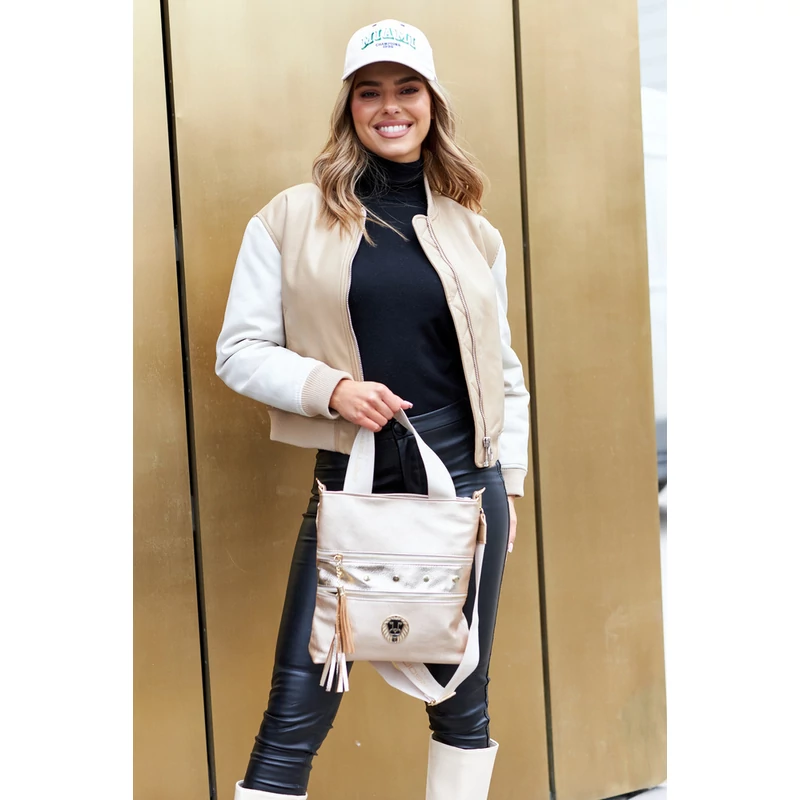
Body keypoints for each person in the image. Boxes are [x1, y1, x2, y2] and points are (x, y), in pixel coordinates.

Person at [215, 18, 531, 800]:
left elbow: (503, 370)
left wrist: (509, 483)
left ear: (432, 103)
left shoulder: (475, 234)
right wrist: (332, 389)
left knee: (462, 693)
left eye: (407, 89)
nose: (390, 107)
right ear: (349, 107)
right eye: (370, 92)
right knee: (299, 699)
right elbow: (239, 350)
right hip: (352, 485)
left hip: (467, 488)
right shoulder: (289, 219)